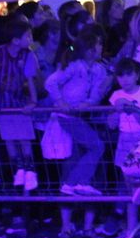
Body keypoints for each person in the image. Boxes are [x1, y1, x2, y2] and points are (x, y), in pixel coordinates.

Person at [46, 24, 112, 217]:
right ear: (90, 49)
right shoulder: (74, 66)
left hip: (79, 116)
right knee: (97, 145)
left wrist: (89, 103)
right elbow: (51, 82)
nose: (101, 48)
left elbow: (96, 94)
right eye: (98, 44)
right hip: (66, 115)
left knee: (80, 152)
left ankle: (77, 182)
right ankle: (74, 182)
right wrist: (60, 101)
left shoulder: (99, 70)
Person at [0, 16, 40, 192]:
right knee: (9, 137)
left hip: (20, 101)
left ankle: (30, 171)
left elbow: (30, 80)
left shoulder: (28, 54)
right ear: (16, 40)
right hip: (4, 103)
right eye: (28, 36)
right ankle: (19, 169)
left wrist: (33, 101)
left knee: (24, 137)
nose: (31, 39)